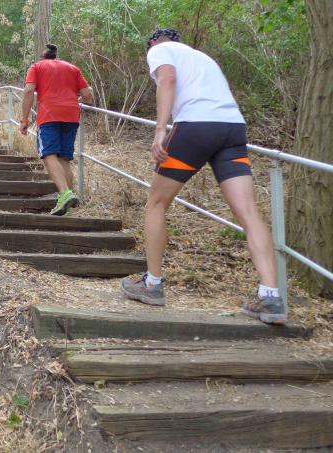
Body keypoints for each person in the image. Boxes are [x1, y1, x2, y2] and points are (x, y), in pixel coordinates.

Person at [121, 28, 286, 325]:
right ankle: (270, 296)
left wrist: (160, 130)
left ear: (154, 43)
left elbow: (167, 80)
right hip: (232, 129)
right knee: (249, 212)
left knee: (156, 203)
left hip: (195, 128)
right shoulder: (202, 58)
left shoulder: (159, 50)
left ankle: (152, 284)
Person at [20, 44, 93, 216]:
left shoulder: (36, 67)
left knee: (48, 154)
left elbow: (29, 90)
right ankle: (68, 203)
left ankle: (65, 193)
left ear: (43, 57)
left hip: (49, 114)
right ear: (56, 56)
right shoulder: (72, 68)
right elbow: (87, 95)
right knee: (64, 158)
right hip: (71, 115)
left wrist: (24, 119)